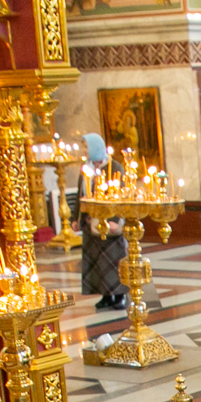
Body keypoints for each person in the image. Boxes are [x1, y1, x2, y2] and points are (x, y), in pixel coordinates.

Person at [76, 133, 127, 311]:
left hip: (109, 222)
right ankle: (106, 296)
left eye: (86, 147)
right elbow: (80, 194)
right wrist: (76, 218)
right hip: (91, 222)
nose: (84, 150)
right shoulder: (86, 168)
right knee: (97, 263)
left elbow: (120, 196)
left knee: (113, 261)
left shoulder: (115, 167)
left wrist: (114, 220)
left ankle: (120, 295)